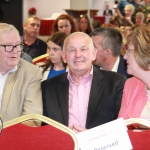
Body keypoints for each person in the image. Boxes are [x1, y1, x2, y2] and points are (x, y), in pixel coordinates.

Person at [41, 32, 126, 132]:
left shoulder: (116, 83)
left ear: (93, 54)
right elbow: (45, 129)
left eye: (83, 49)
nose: (78, 55)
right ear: (64, 56)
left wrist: (91, 138)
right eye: (72, 50)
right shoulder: (48, 87)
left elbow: (120, 127)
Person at [0, 23, 42, 124]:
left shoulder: (31, 74)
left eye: (18, 45)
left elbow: (32, 120)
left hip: (11, 137)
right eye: (8, 46)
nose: (15, 51)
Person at [118, 25, 150, 120]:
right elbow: (121, 129)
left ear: (146, 55)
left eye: (129, 51)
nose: (124, 57)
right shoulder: (131, 85)